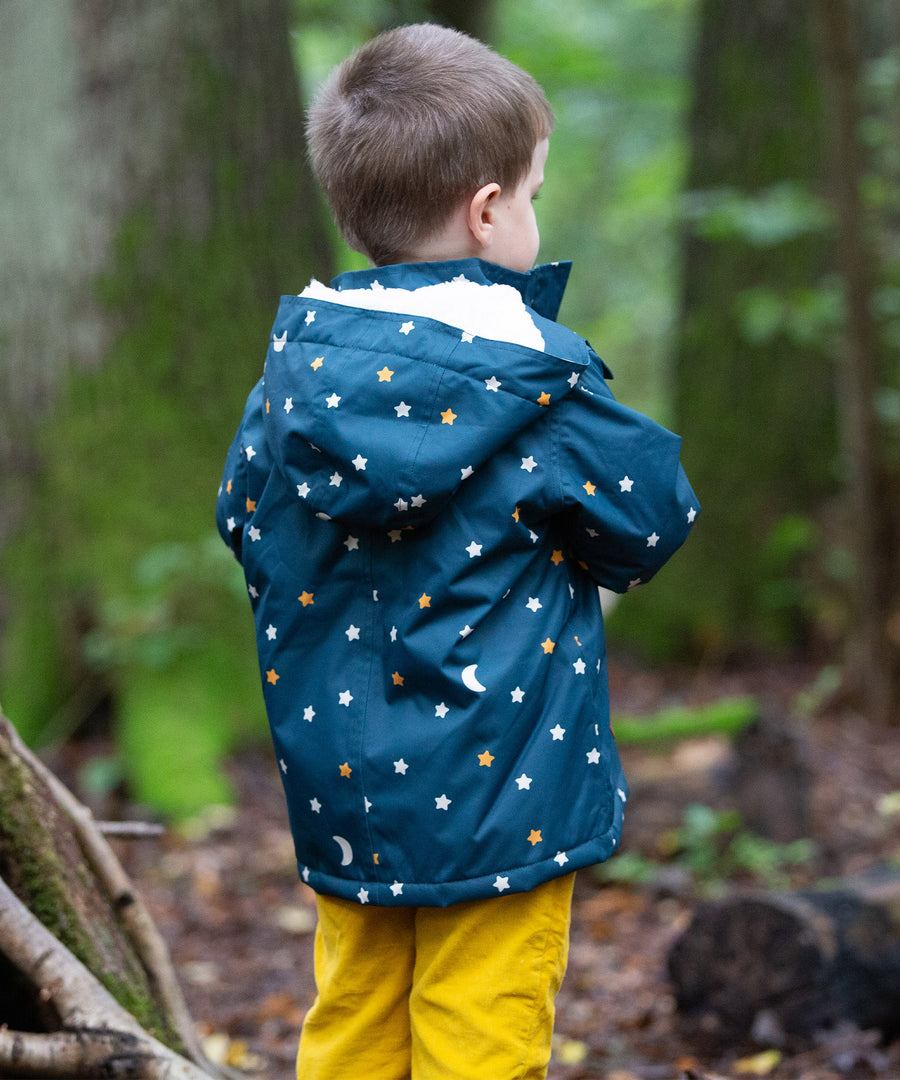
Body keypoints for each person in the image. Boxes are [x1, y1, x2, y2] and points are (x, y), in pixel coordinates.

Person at [216, 22, 698, 1080]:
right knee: (481, 1033)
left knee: (353, 1019)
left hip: (343, 781)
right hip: (506, 793)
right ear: (488, 213)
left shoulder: (294, 373)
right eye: (529, 192)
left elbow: (243, 520)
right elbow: (656, 514)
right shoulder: (534, 382)